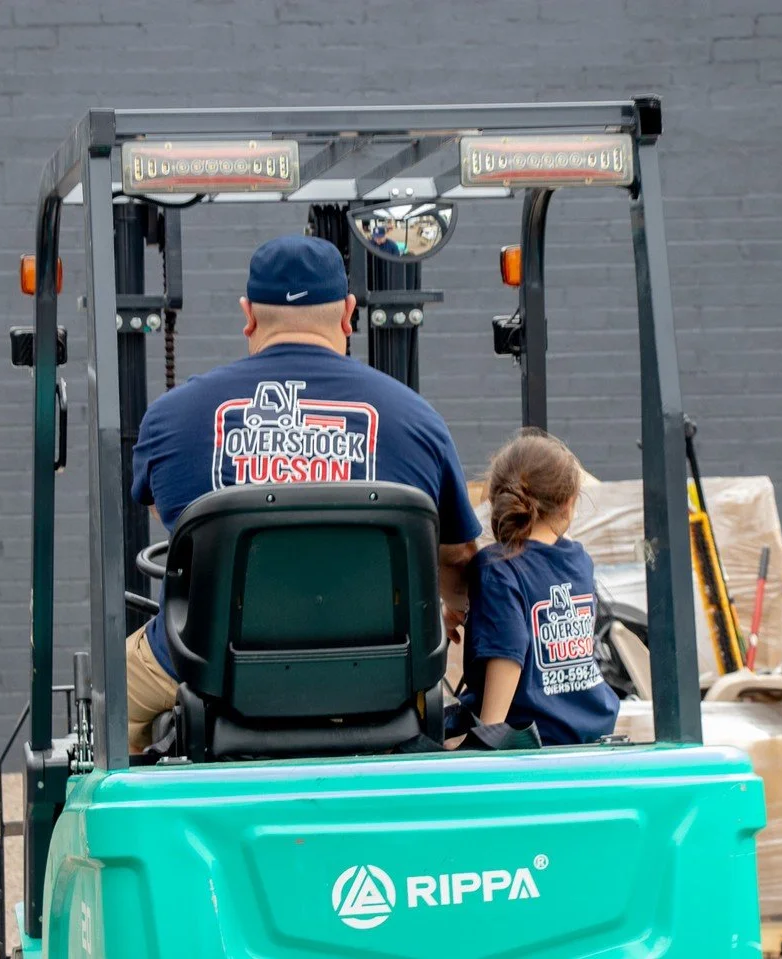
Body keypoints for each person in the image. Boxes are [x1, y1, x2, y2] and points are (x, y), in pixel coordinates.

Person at [124, 234, 481, 752]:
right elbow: (458, 556)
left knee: (109, 708)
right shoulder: (417, 421)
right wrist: (451, 605)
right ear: (349, 314)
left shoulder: (172, 418)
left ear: (248, 316)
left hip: (207, 669)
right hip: (380, 672)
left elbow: (170, 513)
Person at [451, 429, 620, 746]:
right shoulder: (579, 560)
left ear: (496, 499)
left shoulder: (497, 567)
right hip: (588, 733)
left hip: (532, 739)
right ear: (568, 503)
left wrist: (486, 737)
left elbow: (507, 651)